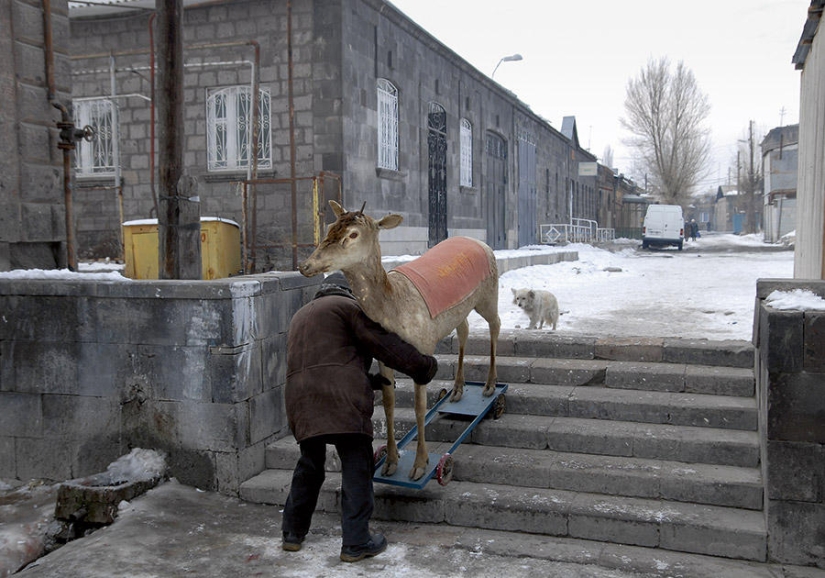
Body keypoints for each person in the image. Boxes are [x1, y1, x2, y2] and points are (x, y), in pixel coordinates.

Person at [281, 272, 438, 563]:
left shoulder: (300, 315)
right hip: (341, 399)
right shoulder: (347, 308)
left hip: (300, 400)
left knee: (310, 465)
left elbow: (324, 361)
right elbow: (384, 344)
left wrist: (366, 380)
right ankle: (356, 541)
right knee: (356, 463)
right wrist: (423, 366)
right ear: (349, 291)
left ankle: (292, 533)